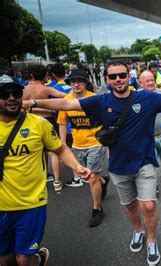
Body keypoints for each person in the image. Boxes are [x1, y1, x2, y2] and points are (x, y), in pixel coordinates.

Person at [22, 61, 161, 265]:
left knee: (149, 206)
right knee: (130, 205)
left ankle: (151, 241)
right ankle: (138, 231)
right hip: (118, 166)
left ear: (128, 77)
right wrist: (35, 103)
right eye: (113, 76)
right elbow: (66, 104)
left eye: (122, 75)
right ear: (107, 79)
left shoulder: (146, 98)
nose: (118, 79)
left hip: (145, 163)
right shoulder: (101, 101)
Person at [0, 74, 91, 266]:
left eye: (16, 93)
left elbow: (60, 149)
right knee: (5, 259)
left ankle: (34, 258)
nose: (11, 98)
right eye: (4, 94)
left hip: (31, 203)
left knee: (23, 259)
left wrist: (77, 167)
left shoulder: (38, 124)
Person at [56, 68, 109, 227]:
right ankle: (103, 180)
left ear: (86, 82)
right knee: (88, 177)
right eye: (73, 81)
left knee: (91, 177)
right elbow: (62, 123)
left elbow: (106, 120)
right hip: (77, 146)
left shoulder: (95, 99)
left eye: (80, 81)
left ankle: (97, 209)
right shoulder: (66, 101)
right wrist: (62, 145)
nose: (76, 84)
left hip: (95, 143)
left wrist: (108, 143)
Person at [22, 65, 67, 192]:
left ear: (31, 75)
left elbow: (20, 105)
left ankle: (40, 179)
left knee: (35, 152)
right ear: (46, 75)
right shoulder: (47, 89)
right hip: (47, 120)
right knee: (53, 152)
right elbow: (65, 96)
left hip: (28, 121)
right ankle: (57, 182)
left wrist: (30, 108)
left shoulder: (23, 90)